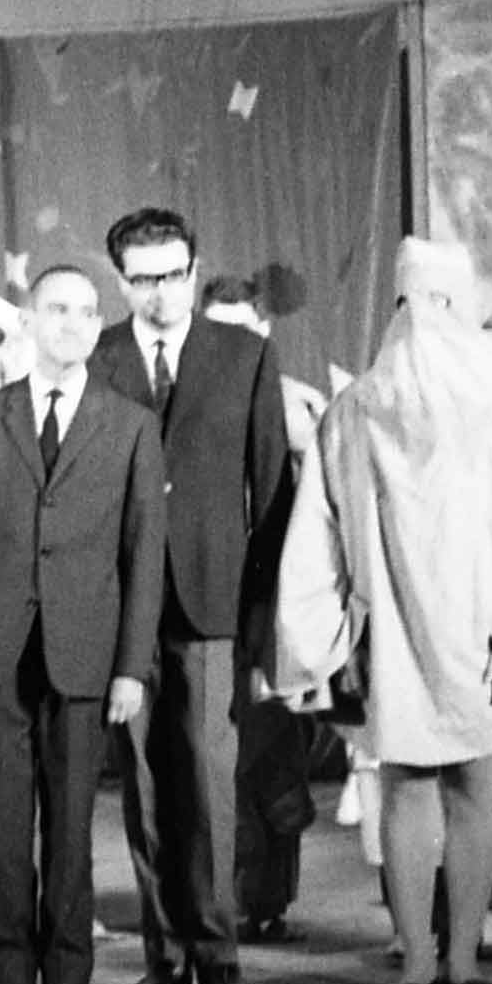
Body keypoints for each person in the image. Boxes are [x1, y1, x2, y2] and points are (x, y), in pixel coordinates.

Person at [279, 237, 492, 984]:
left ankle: (455, 960)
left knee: (460, 788)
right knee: (418, 791)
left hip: (476, 637)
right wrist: (338, 636)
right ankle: (426, 962)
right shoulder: (357, 414)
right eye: (416, 305)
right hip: (400, 634)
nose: (428, 320)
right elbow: (320, 532)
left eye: (441, 305)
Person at [0, 262, 166, 984]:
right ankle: (8, 981)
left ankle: (69, 980)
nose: (71, 324)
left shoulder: (130, 424)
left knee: (71, 826)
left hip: (84, 650)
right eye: (56, 310)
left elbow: (143, 554)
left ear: (99, 328)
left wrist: (131, 666)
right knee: (0, 823)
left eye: (86, 313)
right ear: (29, 322)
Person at [91, 208, 288, 984]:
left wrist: (265, 617)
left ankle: (218, 951)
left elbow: (271, 489)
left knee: (208, 782)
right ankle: (163, 953)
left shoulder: (245, 355)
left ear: (195, 267)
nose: (161, 294)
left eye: (174, 275)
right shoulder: (98, 358)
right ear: (120, 281)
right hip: (119, 609)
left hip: (213, 598)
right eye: (143, 280)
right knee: (143, 788)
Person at [200, 276, 327, 945]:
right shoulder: (185, 405)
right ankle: (226, 893)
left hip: (279, 603)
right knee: (218, 751)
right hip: (209, 599)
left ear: (264, 330)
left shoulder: (300, 408)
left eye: (242, 331)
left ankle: (268, 896)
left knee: (272, 749)